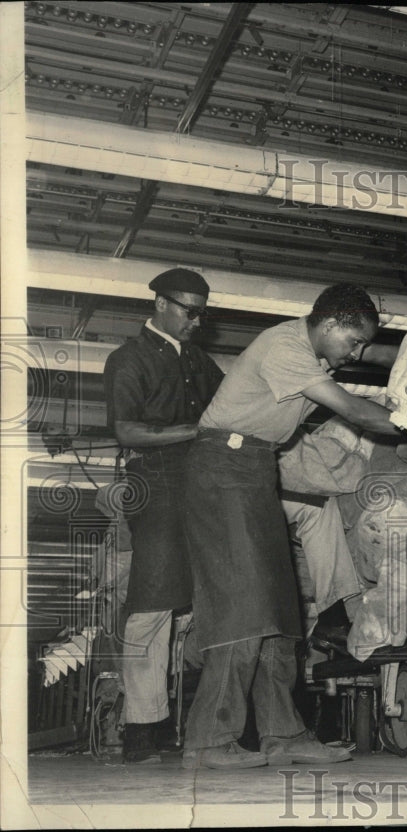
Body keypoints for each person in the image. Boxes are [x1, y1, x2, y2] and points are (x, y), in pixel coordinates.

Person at [180, 282, 400, 770]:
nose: (358, 353)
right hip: (221, 468)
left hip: (256, 469)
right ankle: (208, 741)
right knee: (242, 606)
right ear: (327, 326)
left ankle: (284, 734)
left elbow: (373, 354)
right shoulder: (286, 347)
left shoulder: (317, 353)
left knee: (279, 609)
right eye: (354, 342)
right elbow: (355, 410)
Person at [103, 268, 223, 764]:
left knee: (185, 608)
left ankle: (174, 719)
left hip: (201, 483)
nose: (197, 321)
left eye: (202, 312)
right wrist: (197, 432)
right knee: (152, 605)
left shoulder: (198, 359)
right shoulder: (127, 359)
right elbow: (128, 432)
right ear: (160, 305)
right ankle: (140, 729)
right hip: (153, 482)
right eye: (189, 311)